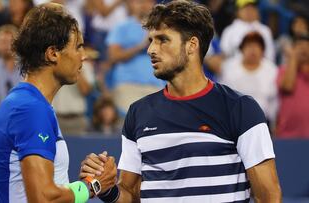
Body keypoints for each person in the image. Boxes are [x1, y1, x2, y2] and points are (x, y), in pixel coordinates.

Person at [80, 1, 282, 202]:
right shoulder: (138, 113)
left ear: (192, 45)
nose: (151, 49)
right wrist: (107, 189)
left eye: (162, 40)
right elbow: (130, 195)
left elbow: (268, 196)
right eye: (151, 40)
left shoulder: (241, 108)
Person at [0, 3, 116, 203]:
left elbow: (49, 191)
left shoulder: (31, 104)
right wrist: (93, 186)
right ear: (53, 53)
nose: (84, 55)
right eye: (78, 46)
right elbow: (43, 198)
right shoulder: (29, 109)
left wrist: (87, 180)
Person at [105, 0, 164, 113]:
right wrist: (141, 46)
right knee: (129, 126)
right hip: (128, 87)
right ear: (131, 4)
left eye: (148, 2)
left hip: (156, 86)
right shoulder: (122, 26)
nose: (143, 5)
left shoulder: (160, 28)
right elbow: (113, 56)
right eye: (139, 2)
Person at [220, 32, 278, 131]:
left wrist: (274, 124)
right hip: (234, 122)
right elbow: (223, 97)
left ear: (262, 50)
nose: (253, 50)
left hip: (263, 122)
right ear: (242, 49)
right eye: (249, 46)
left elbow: (274, 100)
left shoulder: (271, 69)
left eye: (257, 46)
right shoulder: (229, 67)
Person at [276, 34, 309, 138]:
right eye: (299, 46)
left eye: (306, 46)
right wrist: (293, 58)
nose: (303, 50)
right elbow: (288, 87)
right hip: (287, 136)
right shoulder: (283, 71)